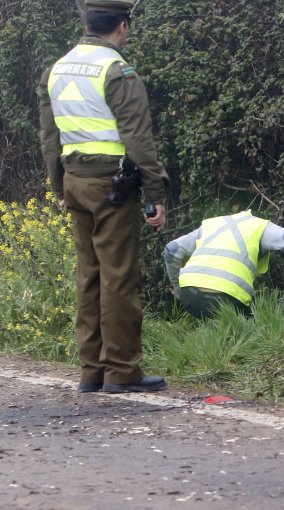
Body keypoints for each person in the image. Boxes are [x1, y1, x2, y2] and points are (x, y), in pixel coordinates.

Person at [37, 0, 169, 393]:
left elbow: (49, 138)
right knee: (119, 278)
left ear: (88, 23)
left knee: (89, 277)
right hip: (112, 185)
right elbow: (138, 139)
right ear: (122, 27)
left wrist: (58, 186)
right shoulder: (117, 71)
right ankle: (122, 371)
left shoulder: (56, 69)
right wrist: (155, 192)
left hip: (74, 181)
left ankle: (91, 371)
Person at [163, 210, 284, 319]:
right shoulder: (261, 226)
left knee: (214, 319)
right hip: (227, 301)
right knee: (253, 326)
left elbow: (171, 250)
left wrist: (177, 288)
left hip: (189, 297)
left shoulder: (212, 223)